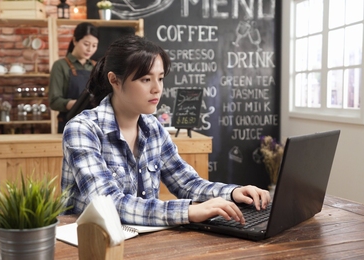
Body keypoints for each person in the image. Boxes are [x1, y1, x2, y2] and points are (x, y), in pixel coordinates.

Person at [61, 35, 271, 226]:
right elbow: (108, 204)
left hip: (145, 241)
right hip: (93, 245)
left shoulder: (153, 128)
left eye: (160, 78)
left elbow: (186, 182)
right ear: (114, 80)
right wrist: (188, 211)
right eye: (146, 79)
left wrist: (233, 193)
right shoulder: (82, 130)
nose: (157, 88)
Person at [49, 22, 99, 133]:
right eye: (86, 44)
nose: (90, 49)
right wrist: (76, 104)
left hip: (94, 125)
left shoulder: (96, 67)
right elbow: (54, 101)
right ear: (75, 40)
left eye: (94, 46)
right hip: (69, 125)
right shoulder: (60, 65)